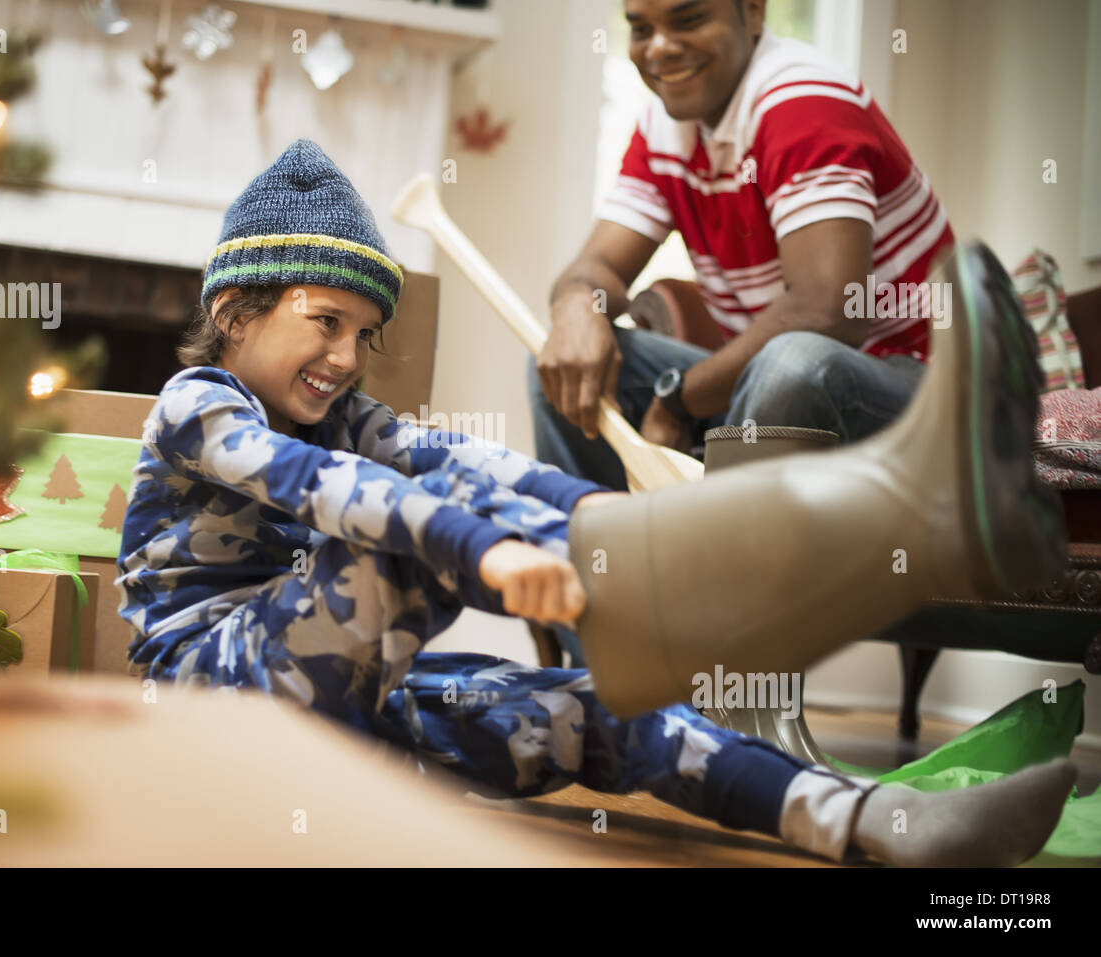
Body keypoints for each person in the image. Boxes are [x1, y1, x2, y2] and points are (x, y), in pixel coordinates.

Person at [116, 139, 1075, 868]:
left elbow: (478, 463)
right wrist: (484, 555)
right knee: (411, 509)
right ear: (237, 311)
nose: (346, 357)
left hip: (348, 716)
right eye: (326, 322)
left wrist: (618, 531)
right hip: (215, 704)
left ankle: (870, 819)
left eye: (365, 334)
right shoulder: (198, 404)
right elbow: (332, 492)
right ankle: (844, 532)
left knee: (597, 710)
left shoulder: (350, 415)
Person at [530, 0, 954, 486]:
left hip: (921, 389)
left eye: (688, 20)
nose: (660, 48)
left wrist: (677, 400)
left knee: (793, 363)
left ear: (753, 12)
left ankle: (724, 558)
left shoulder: (803, 101)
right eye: (641, 29)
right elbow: (597, 266)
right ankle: (602, 544)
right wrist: (576, 309)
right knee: (561, 367)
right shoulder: (664, 127)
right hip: (774, 381)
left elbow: (831, 311)